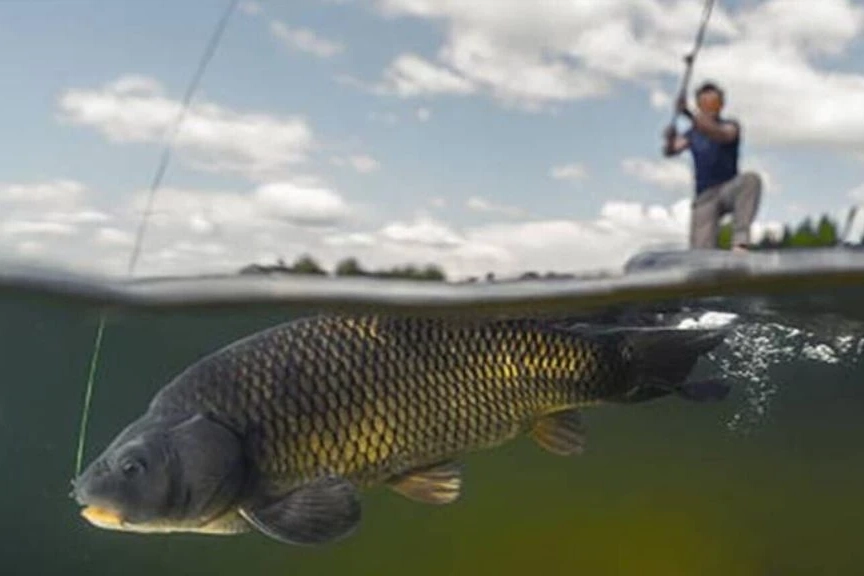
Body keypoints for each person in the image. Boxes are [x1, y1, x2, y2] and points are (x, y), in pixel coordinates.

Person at [663, 81, 762, 251]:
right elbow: (671, 150)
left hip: (728, 189)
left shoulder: (731, 126)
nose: (709, 108)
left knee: (751, 180)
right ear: (699, 106)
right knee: (700, 252)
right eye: (705, 104)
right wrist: (669, 138)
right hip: (705, 197)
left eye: (714, 103)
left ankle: (740, 242)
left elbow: (721, 134)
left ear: (721, 105)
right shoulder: (691, 134)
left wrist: (687, 114)